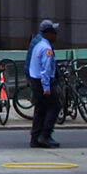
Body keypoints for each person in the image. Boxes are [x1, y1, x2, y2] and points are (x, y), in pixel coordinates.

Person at [27, 20, 60, 148]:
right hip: (43, 82)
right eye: (54, 32)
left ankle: (35, 138)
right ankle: (45, 135)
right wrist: (47, 87)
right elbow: (46, 70)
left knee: (40, 109)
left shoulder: (37, 44)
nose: (56, 35)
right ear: (48, 33)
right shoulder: (46, 48)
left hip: (35, 80)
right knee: (54, 106)